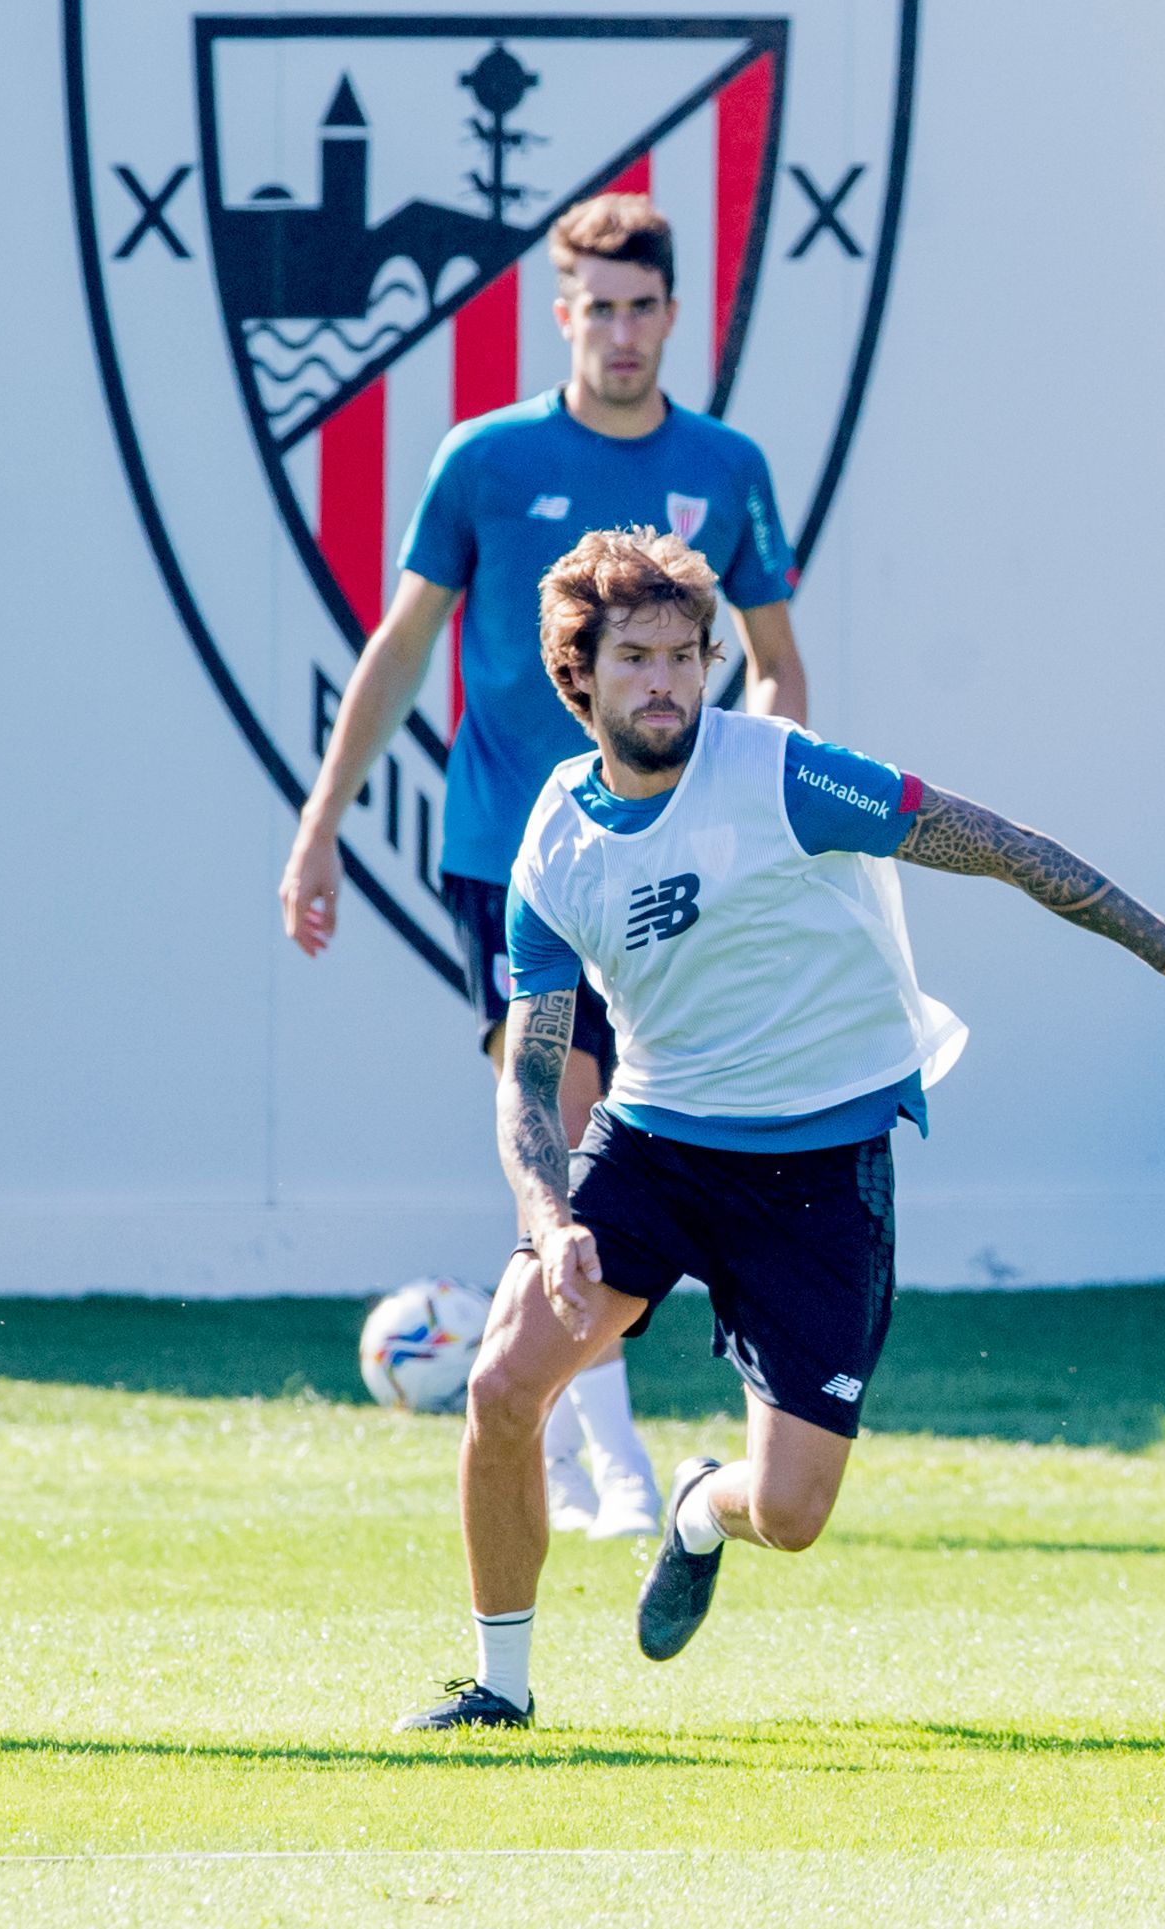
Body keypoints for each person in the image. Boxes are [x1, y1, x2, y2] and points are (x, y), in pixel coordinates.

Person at [398, 528, 1165, 1733]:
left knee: (791, 1510)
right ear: (583, 676)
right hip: (658, 1143)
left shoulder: (782, 773)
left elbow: (995, 844)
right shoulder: (554, 846)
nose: (667, 681)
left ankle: (693, 1510)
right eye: (637, 659)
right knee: (507, 1378)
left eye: (685, 655)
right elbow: (532, 1068)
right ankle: (499, 1690)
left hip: (820, 1167)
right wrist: (548, 1216)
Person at [284, 193, 810, 1539]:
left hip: (678, 865)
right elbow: (403, 645)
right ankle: (611, 1463)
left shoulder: (727, 464)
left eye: (644, 307)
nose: (621, 332)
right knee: (565, 1137)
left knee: (641, 1142)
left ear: (673, 316)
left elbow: (777, 664)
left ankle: (581, 1436)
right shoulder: (485, 458)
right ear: (561, 314)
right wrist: (322, 817)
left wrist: (764, 818)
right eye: (598, 307)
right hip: (516, 853)